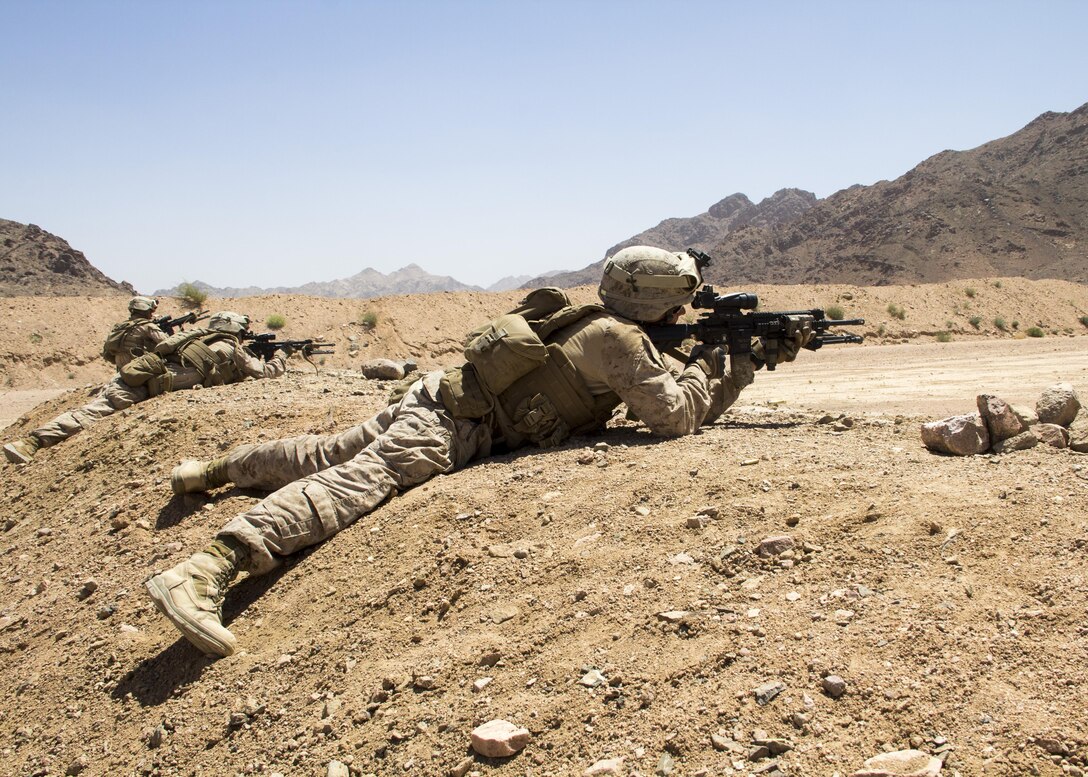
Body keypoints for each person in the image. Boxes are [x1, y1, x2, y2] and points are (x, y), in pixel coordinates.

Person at [144, 246, 814, 657]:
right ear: (660, 303)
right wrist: (735, 365)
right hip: (452, 424)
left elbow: (661, 390)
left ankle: (218, 470)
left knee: (325, 453)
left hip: (439, 393)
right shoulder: (622, 341)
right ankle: (212, 566)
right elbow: (674, 418)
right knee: (354, 483)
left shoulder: (598, 321)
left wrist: (720, 358)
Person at [2, 312, 290, 464]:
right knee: (91, 414)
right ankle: (33, 442)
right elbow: (265, 373)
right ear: (237, 330)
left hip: (134, 374)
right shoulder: (230, 346)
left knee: (93, 408)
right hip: (142, 385)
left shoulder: (197, 337)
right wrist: (281, 356)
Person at [101, 296, 169, 369]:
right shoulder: (147, 326)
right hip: (139, 369)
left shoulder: (121, 326)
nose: (151, 314)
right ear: (144, 311)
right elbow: (167, 344)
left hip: (122, 369)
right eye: (150, 311)